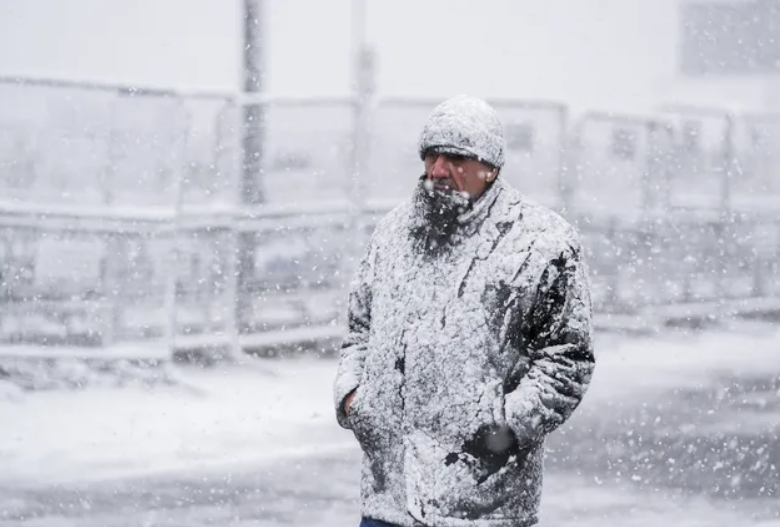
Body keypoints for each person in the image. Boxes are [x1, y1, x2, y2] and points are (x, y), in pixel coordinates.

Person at [333, 95, 596, 527]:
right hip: (388, 500)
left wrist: (506, 429)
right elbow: (360, 331)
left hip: (483, 505)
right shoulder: (392, 234)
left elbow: (568, 360)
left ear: (490, 166)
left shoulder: (542, 244)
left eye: (454, 157)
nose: (437, 170)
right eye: (431, 156)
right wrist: (353, 399)